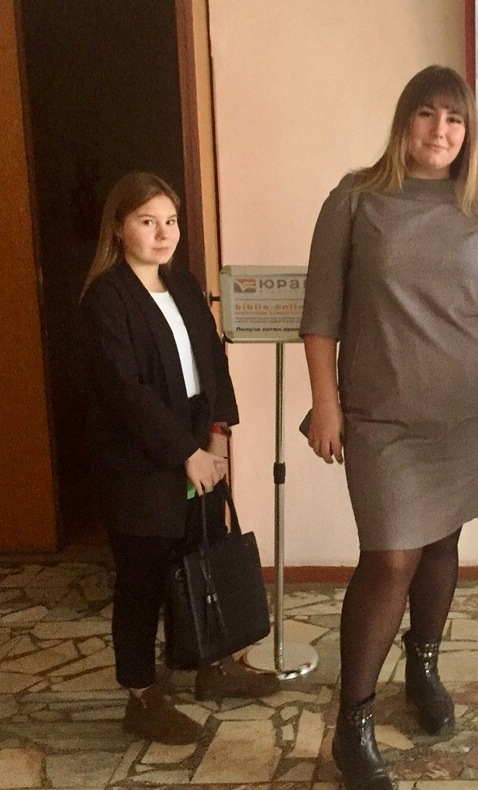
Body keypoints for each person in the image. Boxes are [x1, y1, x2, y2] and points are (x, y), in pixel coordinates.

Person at [301, 65, 478, 790]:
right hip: (380, 413)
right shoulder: (355, 198)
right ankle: (353, 721)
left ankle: (423, 665)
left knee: (443, 540)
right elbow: (320, 313)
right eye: (427, 114)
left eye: (455, 119)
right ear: (405, 120)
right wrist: (325, 403)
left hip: (466, 410)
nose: (440, 130)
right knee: (391, 557)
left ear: (468, 131)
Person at [78, 172, 277, 745]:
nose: (163, 233)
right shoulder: (106, 299)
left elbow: (213, 363)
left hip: (196, 439)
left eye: (170, 221)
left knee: (204, 549)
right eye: (148, 221)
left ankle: (212, 664)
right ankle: (141, 695)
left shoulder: (184, 285)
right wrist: (185, 452)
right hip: (140, 458)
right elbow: (125, 392)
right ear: (119, 228)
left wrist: (216, 436)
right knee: (143, 575)